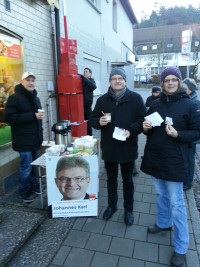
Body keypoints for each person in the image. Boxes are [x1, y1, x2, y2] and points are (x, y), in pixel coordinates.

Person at [141, 67, 200, 267]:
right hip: (155, 159)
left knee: (177, 204)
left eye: (175, 79)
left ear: (180, 82)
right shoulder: (155, 104)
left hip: (176, 161)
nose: (171, 83)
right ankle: (164, 223)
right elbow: (148, 130)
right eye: (167, 80)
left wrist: (178, 135)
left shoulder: (190, 105)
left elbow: (197, 132)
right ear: (163, 82)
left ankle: (181, 248)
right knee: (160, 195)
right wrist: (145, 128)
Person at [90, 67, 147, 226]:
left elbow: (142, 120)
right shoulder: (102, 100)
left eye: (120, 78)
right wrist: (98, 123)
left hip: (127, 147)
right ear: (110, 81)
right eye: (114, 78)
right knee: (111, 179)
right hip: (109, 148)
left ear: (125, 80)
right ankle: (112, 206)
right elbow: (92, 118)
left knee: (128, 180)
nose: (117, 81)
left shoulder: (135, 98)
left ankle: (129, 209)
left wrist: (131, 131)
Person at [4, 71, 43, 203]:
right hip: (22, 140)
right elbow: (9, 118)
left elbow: (39, 120)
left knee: (33, 166)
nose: (31, 83)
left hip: (34, 139)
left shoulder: (35, 98)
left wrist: (40, 136)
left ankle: (33, 185)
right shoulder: (15, 98)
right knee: (26, 167)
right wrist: (32, 116)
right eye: (28, 80)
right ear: (22, 82)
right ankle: (24, 191)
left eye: (33, 80)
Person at [182, 78, 200, 191]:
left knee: (189, 160)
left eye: (184, 87)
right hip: (185, 135)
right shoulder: (188, 98)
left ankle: (188, 183)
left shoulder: (195, 102)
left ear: (190, 89)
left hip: (191, 138)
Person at [79, 68, 97, 136]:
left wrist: (84, 78)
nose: (84, 73)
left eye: (86, 72)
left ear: (90, 74)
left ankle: (90, 137)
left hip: (87, 105)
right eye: (84, 72)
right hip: (80, 104)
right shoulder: (82, 80)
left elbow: (94, 87)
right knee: (82, 122)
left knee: (88, 122)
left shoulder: (91, 81)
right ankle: (84, 135)